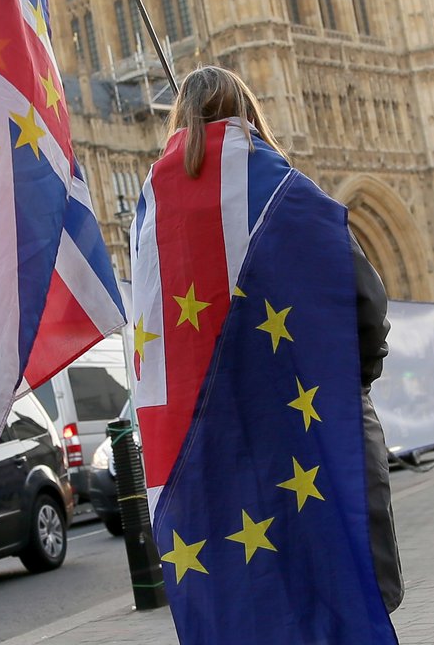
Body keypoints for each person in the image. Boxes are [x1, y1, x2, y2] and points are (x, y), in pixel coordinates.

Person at [152, 65, 403, 616]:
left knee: (262, 611)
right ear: (248, 115)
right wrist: (352, 383)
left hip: (218, 450)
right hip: (313, 424)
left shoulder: (151, 214)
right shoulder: (285, 189)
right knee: (348, 599)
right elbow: (366, 300)